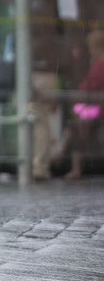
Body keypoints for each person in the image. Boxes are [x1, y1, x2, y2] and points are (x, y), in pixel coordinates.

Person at [53, 29, 104, 180]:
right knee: (76, 119)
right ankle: (61, 150)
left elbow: (91, 86)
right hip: (96, 106)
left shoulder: (100, 64)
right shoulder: (97, 63)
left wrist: (81, 89)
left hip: (99, 108)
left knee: (75, 124)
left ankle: (61, 151)